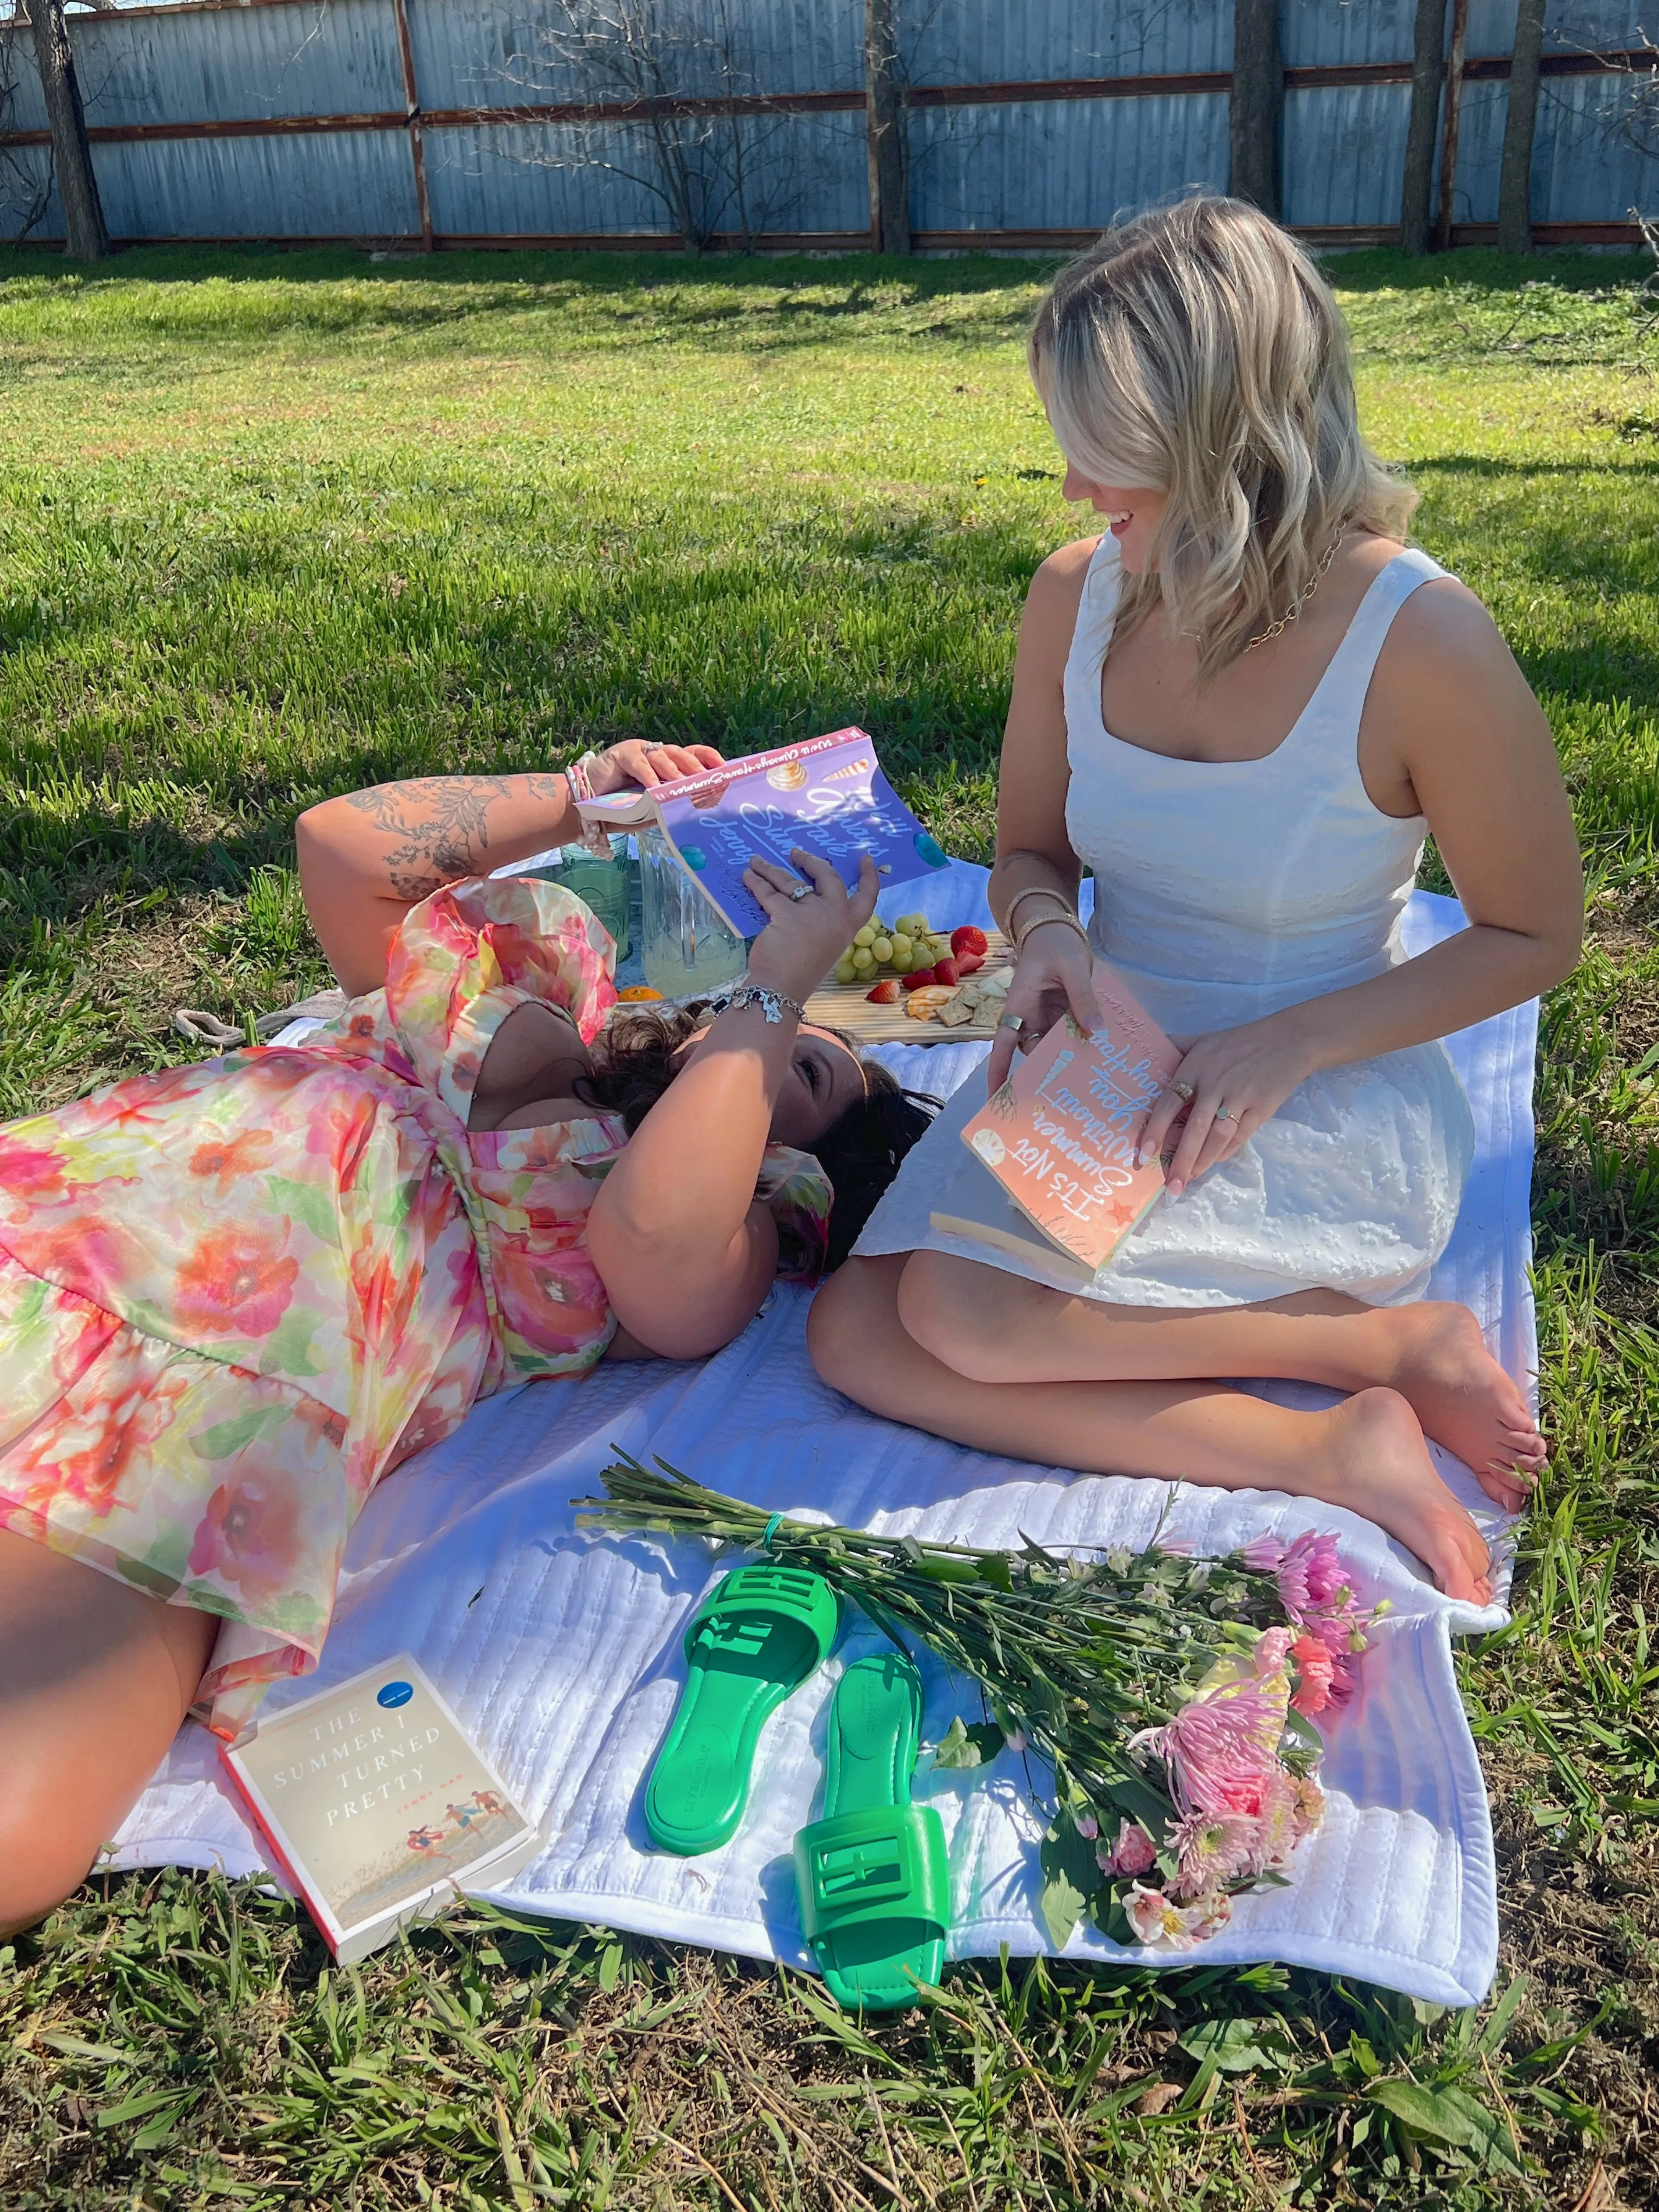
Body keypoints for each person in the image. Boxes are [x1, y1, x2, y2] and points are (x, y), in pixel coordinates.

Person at [0, 742, 933, 1933]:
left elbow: (652, 1231)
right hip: (59, 1223)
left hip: (207, 1426)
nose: (763, 1040)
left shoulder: (734, 1229)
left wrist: (779, 992)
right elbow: (340, 851)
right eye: (770, 1030)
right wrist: (584, 803)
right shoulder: (532, 1000)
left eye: (805, 1069)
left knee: (19, 1842)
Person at [810, 196, 1583, 1607]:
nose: (1067, 484)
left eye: (1105, 450)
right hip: (1107, 1068)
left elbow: (1539, 932)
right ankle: (1346, 1418)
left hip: (1307, 1082)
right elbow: (1030, 852)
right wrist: (1047, 940)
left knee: (956, 1310)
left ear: (1229, 436)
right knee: (858, 1333)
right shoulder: (1077, 595)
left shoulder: (1421, 641)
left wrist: (1294, 1042)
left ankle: (1375, 1366)